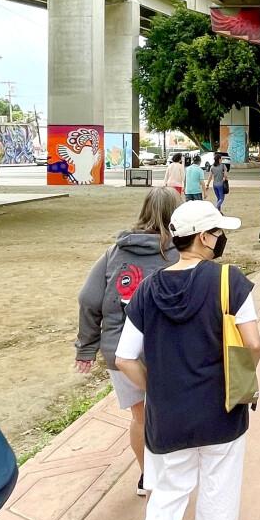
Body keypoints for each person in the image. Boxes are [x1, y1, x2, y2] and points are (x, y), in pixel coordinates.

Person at [114, 200, 260, 520]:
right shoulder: (229, 281)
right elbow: (253, 342)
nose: (222, 239)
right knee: (218, 494)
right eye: (218, 232)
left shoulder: (148, 289)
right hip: (221, 414)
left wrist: (157, 386)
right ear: (202, 237)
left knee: (165, 505)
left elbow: (123, 358)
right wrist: (237, 376)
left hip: (168, 419)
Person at [75, 187, 178, 497]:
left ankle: (148, 476)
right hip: (168, 353)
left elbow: (88, 298)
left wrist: (86, 347)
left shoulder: (114, 252)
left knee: (140, 417)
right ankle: (171, 476)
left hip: (121, 353)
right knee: (171, 415)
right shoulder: (179, 253)